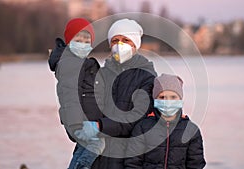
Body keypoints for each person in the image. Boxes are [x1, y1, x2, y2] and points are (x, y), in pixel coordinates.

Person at [74, 18, 157, 169]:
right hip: (96, 157)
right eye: (115, 41)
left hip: (126, 158)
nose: (119, 45)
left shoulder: (146, 77)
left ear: (135, 45)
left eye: (126, 40)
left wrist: (100, 126)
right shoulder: (101, 74)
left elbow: (137, 117)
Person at [50, 18, 105, 169]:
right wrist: (75, 124)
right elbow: (69, 96)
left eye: (86, 41)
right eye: (78, 40)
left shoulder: (81, 63)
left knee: (83, 148)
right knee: (97, 143)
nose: (82, 44)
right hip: (78, 121)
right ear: (69, 42)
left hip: (86, 120)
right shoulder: (70, 64)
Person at [124, 74, 206, 169]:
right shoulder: (142, 127)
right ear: (155, 99)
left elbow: (196, 164)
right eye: (162, 97)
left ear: (180, 99)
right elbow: (132, 163)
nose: (168, 101)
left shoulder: (191, 130)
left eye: (173, 97)